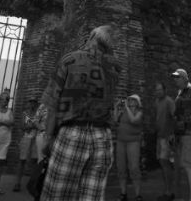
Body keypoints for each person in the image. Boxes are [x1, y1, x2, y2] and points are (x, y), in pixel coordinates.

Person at [40, 25, 120, 201]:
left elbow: (53, 104)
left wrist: (47, 138)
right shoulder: (114, 69)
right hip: (103, 139)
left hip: (72, 134)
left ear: (91, 36)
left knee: (57, 195)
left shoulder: (70, 60)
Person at [171, 68, 191, 201]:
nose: (175, 79)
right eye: (174, 77)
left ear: (185, 78)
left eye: (178, 77)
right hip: (182, 134)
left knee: (189, 167)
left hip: (189, 133)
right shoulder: (181, 92)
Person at [115, 94, 144, 201]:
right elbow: (115, 120)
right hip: (121, 142)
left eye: (133, 100)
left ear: (137, 102)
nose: (130, 102)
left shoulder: (139, 112)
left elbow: (133, 120)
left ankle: (138, 195)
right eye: (129, 100)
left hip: (133, 142)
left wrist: (127, 108)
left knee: (134, 168)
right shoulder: (123, 111)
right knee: (121, 167)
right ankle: (123, 194)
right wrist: (116, 107)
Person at [154, 82, 175, 201]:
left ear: (165, 90)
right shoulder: (156, 102)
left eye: (160, 90)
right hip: (159, 137)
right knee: (163, 164)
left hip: (167, 137)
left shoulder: (169, 101)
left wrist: (172, 134)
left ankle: (169, 192)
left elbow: (175, 117)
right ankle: (166, 191)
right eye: (156, 90)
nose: (158, 92)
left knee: (165, 163)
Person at [13, 98, 39, 192]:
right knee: (22, 160)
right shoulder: (24, 114)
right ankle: (17, 183)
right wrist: (32, 125)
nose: (32, 104)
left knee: (34, 161)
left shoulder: (38, 114)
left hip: (36, 139)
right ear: (29, 103)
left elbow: (40, 126)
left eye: (34, 102)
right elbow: (22, 126)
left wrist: (32, 126)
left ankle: (33, 183)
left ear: (36, 104)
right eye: (31, 102)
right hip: (26, 139)